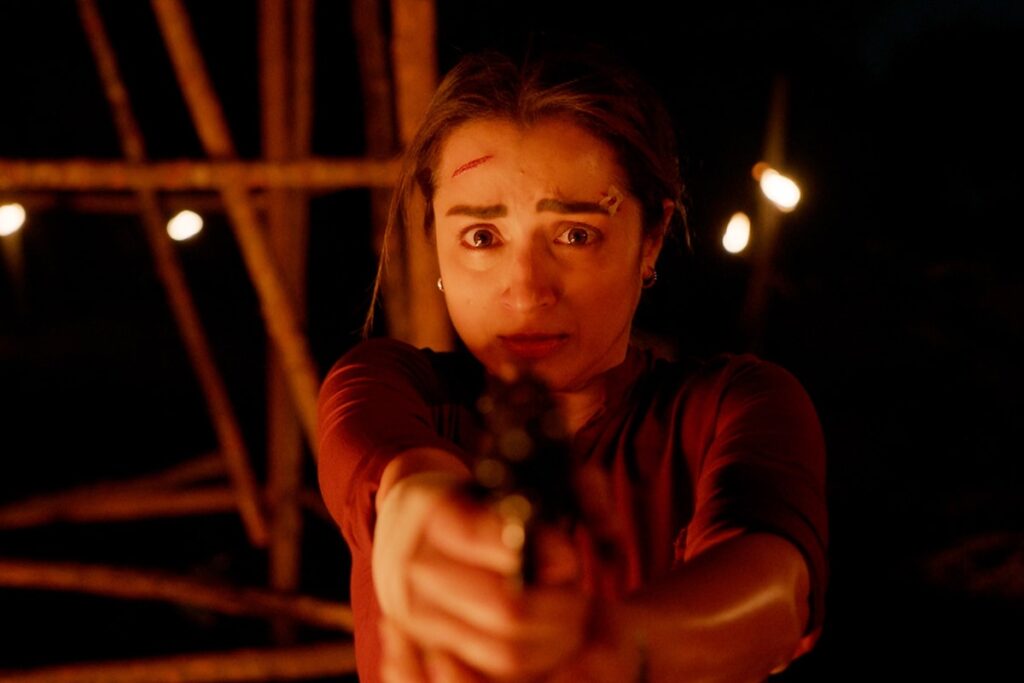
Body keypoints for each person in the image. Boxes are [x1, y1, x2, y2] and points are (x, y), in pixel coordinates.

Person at [318, 48, 827, 682]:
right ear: (436, 245)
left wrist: (610, 650)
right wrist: (420, 518)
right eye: (481, 238)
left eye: (575, 235)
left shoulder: (733, 407)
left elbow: (775, 593)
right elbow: (393, 478)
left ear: (651, 238)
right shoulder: (391, 389)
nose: (527, 291)